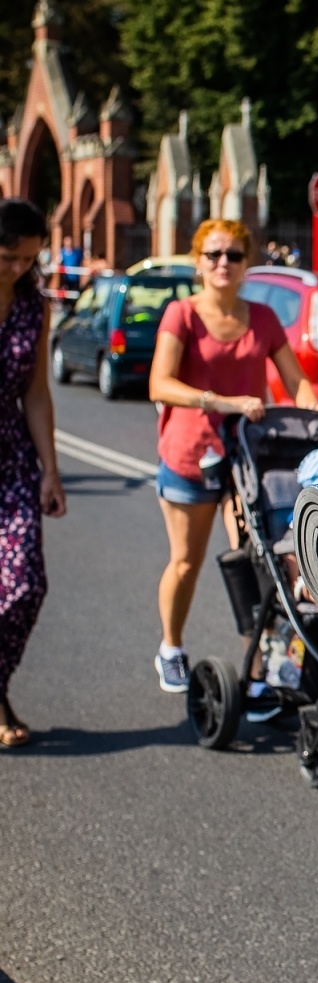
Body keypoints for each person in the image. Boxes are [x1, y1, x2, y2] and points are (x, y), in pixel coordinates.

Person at [148, 219, 318, 694]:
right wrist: (220, 401)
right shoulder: (181, 314)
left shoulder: (261, 317)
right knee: (187, 561)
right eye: (213, 254)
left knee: (258, 560)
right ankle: (171, 647)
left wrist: (314, 411)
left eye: (234, 255)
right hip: (192, 454)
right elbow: (159, 384)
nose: (223, 263)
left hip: (250, 458)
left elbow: (296, 380)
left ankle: (258, 666)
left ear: (248, 264)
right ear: (198, 261)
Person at [0, 199, 66, 750]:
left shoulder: (33, 306)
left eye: (26, 259)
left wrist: (51, 470)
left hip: (12, 458)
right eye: (6, 258)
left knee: (25, 585)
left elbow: (36, 392)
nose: (17, 268)